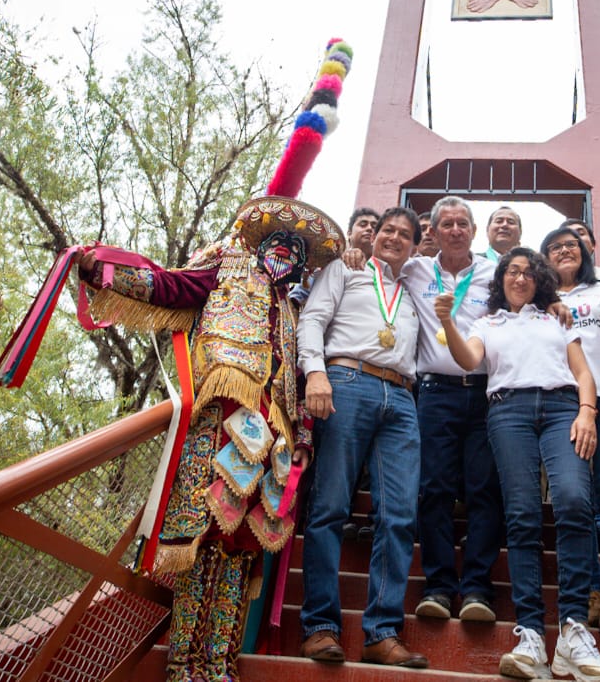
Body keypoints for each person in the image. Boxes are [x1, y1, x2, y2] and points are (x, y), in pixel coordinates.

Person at [78, 197, 345, 682]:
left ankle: (219, 662)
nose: (287, 254)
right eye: (280, 243)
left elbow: (299, 380)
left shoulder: (292, 310)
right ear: (261, 243)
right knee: (204, 539)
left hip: (272, 441)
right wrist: (109, 273)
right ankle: (185, 664)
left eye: (298, 251)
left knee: (242, 548)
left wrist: (303, 434)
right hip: (223, 420)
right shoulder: (226, 267)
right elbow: (170, 285)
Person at [437, 249, 600, 682]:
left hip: (562, 409)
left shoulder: (556, 316)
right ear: (501, 280)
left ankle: (574, 630)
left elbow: (584, 371)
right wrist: (447, 321)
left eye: (528, 272)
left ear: (539, 280)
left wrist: (587, 412)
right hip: (507, 411)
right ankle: (532, 634)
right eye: (512, 272)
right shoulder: (487, 322)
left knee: (575, 502)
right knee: (521, 516)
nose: (520, 278)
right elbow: (468, 359)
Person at [297, 208, 428, 668]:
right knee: (331, 506)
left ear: (414, 247)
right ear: (374, 236)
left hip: (402, 398)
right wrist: (316, 372)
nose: (392, 237)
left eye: (404, 234)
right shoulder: (345, 269)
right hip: (347, 383)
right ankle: (319, 627)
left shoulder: (412, 292)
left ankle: (382, 632)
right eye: (387, 230)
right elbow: (311, 320)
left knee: (398, 515)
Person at [401, 196, 503, 622]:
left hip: (485, 393)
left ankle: (478, 587)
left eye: (464, 223)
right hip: (435, 393)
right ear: (435, 232)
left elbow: (529, 296)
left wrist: (553, 303)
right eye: (448, 224)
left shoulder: (494, 272)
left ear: (475, 232)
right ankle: (440, 585)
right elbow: (376, 267)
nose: (456, 230)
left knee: (484, 489)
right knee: (435, 487)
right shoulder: (415, 269)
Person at [541, 227, 600, 632]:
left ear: (586, 252)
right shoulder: (541, 301)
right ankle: (590, 589)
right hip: (563, 403)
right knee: (576, 496)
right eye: (555, 247)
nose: (564, 251)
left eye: (571, 245)